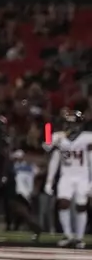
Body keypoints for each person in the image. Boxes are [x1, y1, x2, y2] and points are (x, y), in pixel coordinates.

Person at [44, 107, 90, 249]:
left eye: (74, 123)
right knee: (63, 203)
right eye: (69, 123)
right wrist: (49, 181)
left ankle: (79, 238)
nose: (71, 126)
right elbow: (46, 147)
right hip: (66, 175)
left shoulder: (87, 137)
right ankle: (68, 235)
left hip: (82, 175)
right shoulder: (60, 137)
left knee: (81, 206)